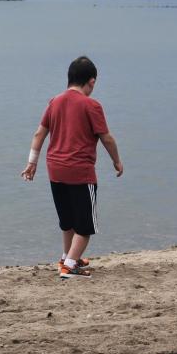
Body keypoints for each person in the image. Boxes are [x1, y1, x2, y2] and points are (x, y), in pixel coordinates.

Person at [20, 56, 123, 279]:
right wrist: (116, 160)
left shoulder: (54, 102)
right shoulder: (91, 105)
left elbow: (39, 134)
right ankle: (69, 266)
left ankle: (67, 257)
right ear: (92, 82)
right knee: (85, 227)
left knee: (67, 222)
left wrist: (31, 162)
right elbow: (107, 138)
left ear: (69, 78)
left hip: (55, 170)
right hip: (80, 171)